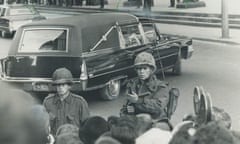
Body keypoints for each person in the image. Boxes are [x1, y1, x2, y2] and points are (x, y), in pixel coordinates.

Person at [120, 52, 170, 129]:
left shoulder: (161, 86)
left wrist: (138, 101)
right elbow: (125, 108)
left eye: (145, 68)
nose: (141, 71)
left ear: (151, 69)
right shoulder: (132, 84)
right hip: (137, 121)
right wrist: (127, 111)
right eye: (139, 69)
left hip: (156, 120)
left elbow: (158, 107)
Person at [43, 67, 90, 135]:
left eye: (63, 84)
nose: (60, 87)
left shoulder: (79, 102)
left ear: (69, 86)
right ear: (55, 86)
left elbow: (87, 127)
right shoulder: (48, 102)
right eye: (58, 85)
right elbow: (43, 126)